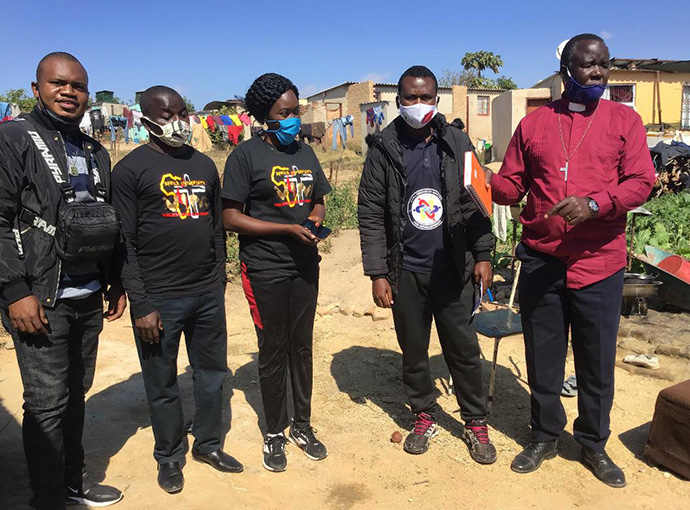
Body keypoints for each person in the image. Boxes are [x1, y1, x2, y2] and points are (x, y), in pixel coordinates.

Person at [486, 34, 655, 487]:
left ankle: (593, 444)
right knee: (543, 356)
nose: (598, 73)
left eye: (604, 65)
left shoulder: (625, 120)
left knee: (595, 361)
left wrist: (597, 205)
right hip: (543, 259)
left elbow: (641, 181)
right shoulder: (535, 124)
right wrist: (487, 183)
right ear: (566, 70)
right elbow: (511, 184)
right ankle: (543, 435)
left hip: (599, 262)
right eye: (588, 65)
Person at [0, 52, 126, 509]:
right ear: (36, 89)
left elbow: (104, 221)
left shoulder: (94, 151)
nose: (69, 92)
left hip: (87, 294)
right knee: (46, 403)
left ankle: (73, 482)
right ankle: (48, 497)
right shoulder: (13, 139)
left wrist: (114, 282)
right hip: (40, 297)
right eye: (58, 83)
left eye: (78, 85)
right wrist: (14, 290)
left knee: (76, 393)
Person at [357, 66, 497, 463]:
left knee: (464, 349)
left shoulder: (457, 141)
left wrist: (483, 254)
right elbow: (369, 213)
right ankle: (423, 413)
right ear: (398, 100)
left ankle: (474, 421)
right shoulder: (384, 147)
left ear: (437, 99)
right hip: (407, 271)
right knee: (413, 350)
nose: (418, 105)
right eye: (410, 97)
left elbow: (477, 200)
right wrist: (378, 273)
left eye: (426, 97)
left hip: (452, 268)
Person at [111, 86, 242, 494]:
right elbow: (124, 244)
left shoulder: (203, 164)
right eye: (167, 115)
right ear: (147, 118)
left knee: (212, 375)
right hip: (159, 298)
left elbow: (217, 227)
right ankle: (169, 456)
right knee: (162, 381)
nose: (178, 122)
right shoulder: (130, 170)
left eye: (182, 113)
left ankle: (208, 444)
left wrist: (219, 276)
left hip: (206, 293)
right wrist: (141, 303)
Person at [222, 73, 331, 472]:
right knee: (273, 349)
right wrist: (286, 228)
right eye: (284, 113)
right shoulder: (245, 157)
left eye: (295, 111)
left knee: (302, 346)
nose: (293, 120)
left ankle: (302, 425)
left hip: (305, 264)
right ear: (264, 117)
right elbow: (230, 217)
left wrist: (315, 219)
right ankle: (274, 431)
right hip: (265, 266)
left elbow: (318, 198)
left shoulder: (304, 153)